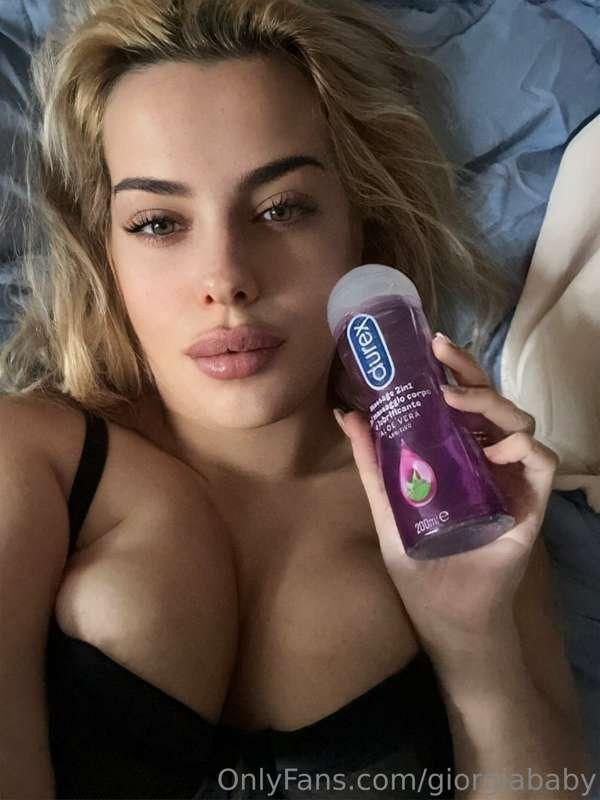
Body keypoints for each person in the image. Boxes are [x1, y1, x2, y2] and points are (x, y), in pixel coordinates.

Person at [0, 0, 590, 797]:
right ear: (104, 251)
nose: (227, 279)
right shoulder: (27, 458)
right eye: (158, 222)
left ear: (359, 229)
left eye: (281, 209)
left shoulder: (460, 498)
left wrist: (476, 638)